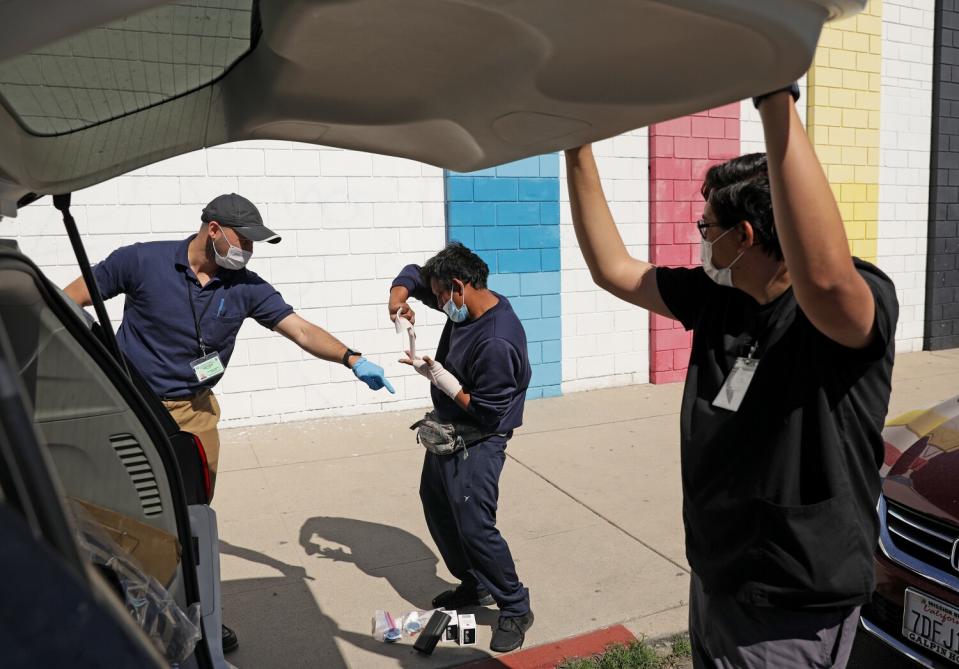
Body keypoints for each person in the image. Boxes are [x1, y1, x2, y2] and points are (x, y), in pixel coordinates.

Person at [565, 84, 898, 668]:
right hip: (719, 578)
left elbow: (823, 279)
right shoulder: (722, 296)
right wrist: (576, 150)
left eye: (709, 226)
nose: (701, 237)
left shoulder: (847, 305)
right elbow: (613, 268)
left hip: (790, 606)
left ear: (745, 237)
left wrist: (775, 97)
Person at [64, 193, 394, 653]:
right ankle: (124, 609)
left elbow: (299, 329)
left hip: (194, 413)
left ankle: (197, 616)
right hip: (131, 406)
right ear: (214, 229)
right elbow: (66, 303)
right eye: (245, 241)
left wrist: (351, 358)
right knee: (125, 518)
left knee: (192, 521)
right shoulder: (140, 261)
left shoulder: (246, 287)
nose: (250, 252)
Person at [387, 242, 534, 653]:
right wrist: (398, 301)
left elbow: (489, 413)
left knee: (474, 525)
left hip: (480, 440)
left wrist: (439, 376)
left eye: (438, 296)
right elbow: (414, 274)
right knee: (435, 502)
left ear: (458, 286)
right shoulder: (465, 303)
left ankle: (515, 605)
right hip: (448, 430)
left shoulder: (497, 341)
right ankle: (475, 583)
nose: (434, 302)